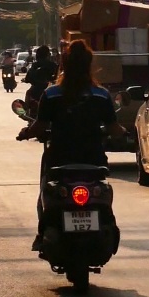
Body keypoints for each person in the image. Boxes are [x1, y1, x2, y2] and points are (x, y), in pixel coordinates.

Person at [17, 40, 126, 250]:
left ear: (64, 64)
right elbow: (114, 128)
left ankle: (43, 233)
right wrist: (124, 134)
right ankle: (107, 224)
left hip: (59, 159)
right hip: (93, 160)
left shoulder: (51, 94)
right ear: (88, 65)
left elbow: (39, 126)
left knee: (47, 195)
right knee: (102, 195)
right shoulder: (101, 95)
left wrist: (26, 133)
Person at [24, 45, 57, 114]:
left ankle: (26, 111)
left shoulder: (35, 65)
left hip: (39, 89)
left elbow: (28, 78)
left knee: (28, 92)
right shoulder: (53, 65)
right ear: (48, 54)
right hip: (49, 88)